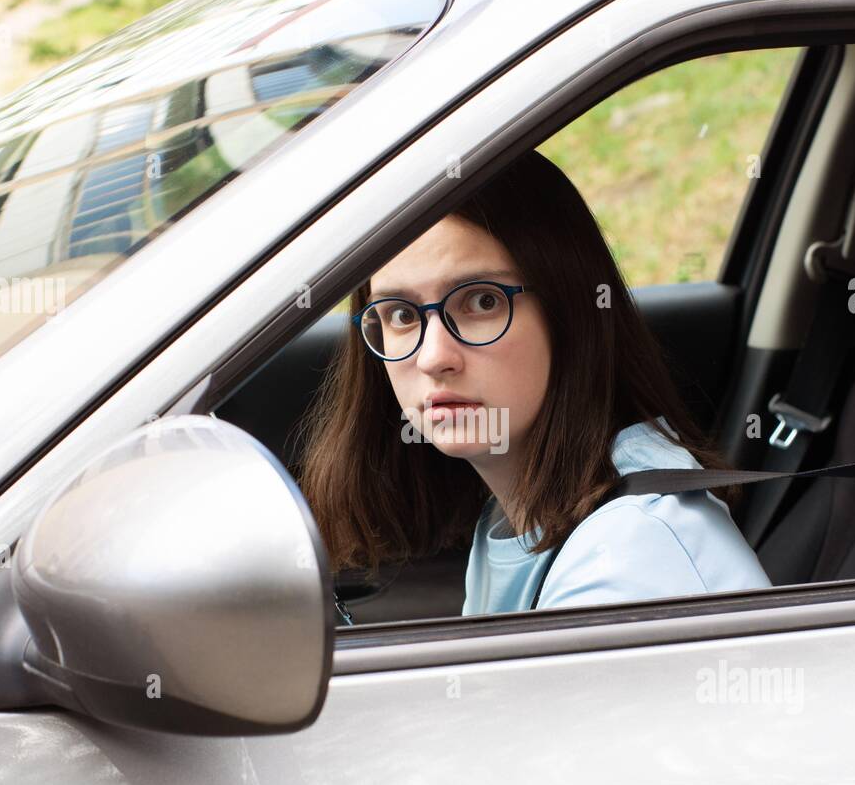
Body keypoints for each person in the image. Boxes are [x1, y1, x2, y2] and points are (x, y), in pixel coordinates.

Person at [296, 148, 770, 616]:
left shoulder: (631, 560)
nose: (434, 357)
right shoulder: (522, 511)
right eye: (401, 314)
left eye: (482, 302)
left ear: (569, 312)